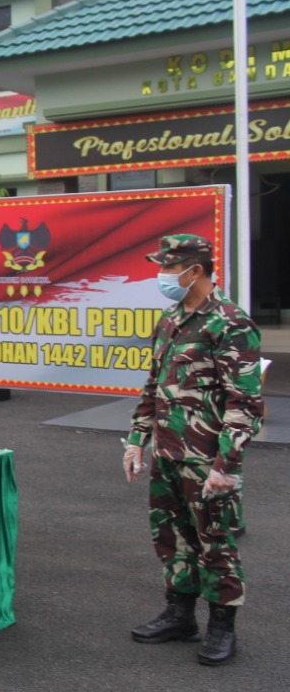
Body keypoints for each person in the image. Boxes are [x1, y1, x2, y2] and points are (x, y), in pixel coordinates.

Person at [122, 234, 263, 666]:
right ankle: (180, 615)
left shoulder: (230, 323)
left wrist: (227, 465)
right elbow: (154, 385)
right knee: (172, 536)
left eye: (168, 268)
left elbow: (246, 403)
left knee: (215, 541)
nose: (162, 276)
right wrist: (136, 438)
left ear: (194, 270)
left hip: (207, 459)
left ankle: (222, 627)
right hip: (168, 453)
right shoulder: (170, 319)